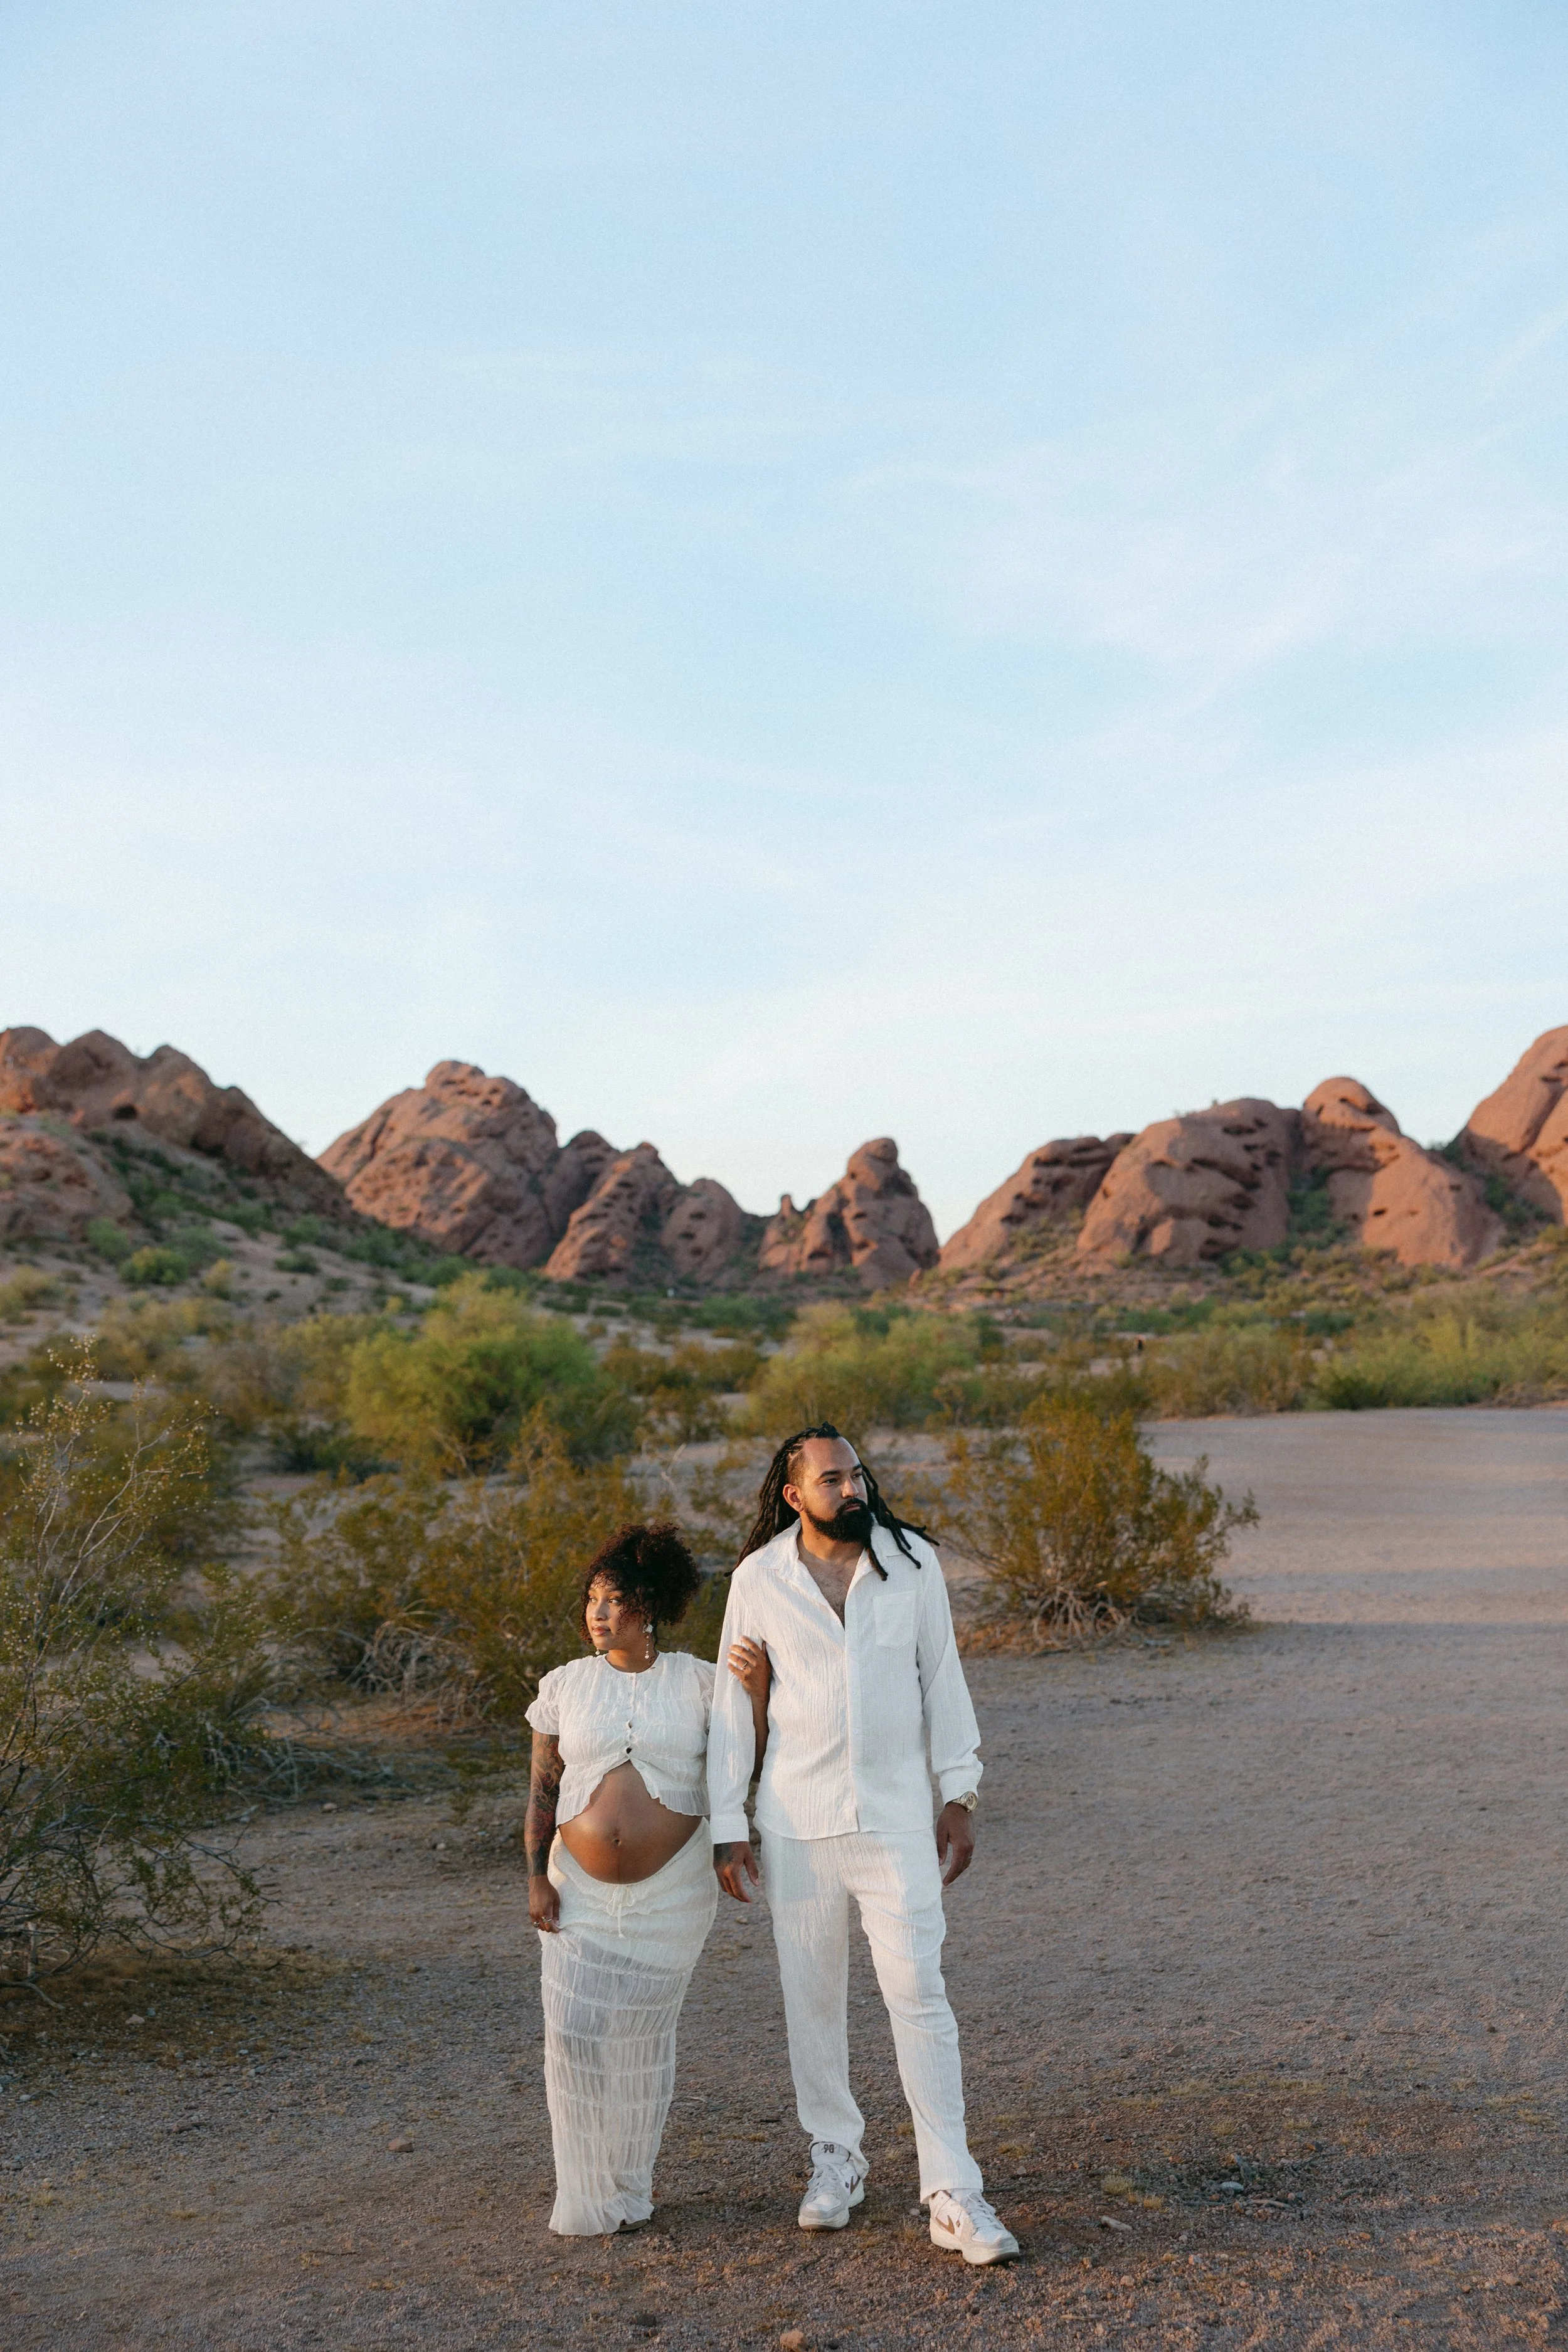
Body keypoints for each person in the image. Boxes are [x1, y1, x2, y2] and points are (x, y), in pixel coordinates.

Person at [708, 1424, 1019, 2267]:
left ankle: (951, 2190)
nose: (853, 1489)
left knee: (919, 1991)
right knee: (812, 1999)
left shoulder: (912, 1564)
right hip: (797, 1822)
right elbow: (733, 1705)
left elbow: (943, 1678)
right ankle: (836, 2158)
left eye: (857, 1475)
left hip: (896, 1821)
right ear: (793, 1495)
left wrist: (959, 1793)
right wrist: (728, 1819)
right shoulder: (758, 1578)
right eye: (833, 1479)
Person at [525, 1522, 768, 2236]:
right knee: (572, 2034)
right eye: (592, 1600)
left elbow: (743, 1763)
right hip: (577, 1890)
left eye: (616, 1600)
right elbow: (541, 1792)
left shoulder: (699, 1681)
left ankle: (630, 2189)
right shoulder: (565, 1685)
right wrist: (536, 1878)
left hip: (672, 1894)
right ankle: (584, 2196)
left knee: (641, 2038)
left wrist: (754, 1695)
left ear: (652, 1605)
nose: (598, 1614)